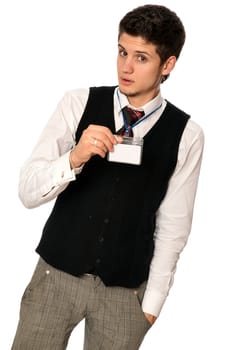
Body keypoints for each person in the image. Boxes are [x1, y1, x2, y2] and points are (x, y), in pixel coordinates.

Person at [12, 4, 204, 350]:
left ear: (168, 65)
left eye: (141, 58)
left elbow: (174, 226)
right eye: (122, 51)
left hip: (125, 294)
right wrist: (74, 158)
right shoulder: (77, 103)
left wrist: (150, 306)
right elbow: (27, 191)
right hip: (55, 277)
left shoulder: (187, 134)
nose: (125, 67)